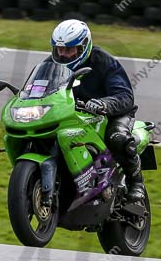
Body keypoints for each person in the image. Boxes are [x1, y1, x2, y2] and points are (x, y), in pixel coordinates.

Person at [50, 19, 144, 201]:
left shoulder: (104, 62)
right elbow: (39, 86)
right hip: (74, 114)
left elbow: (124, 95)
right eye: (60, 49)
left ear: (83, 46)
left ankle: (136, 183)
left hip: (112, 114)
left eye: (69, 50)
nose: (63, 55)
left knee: (118, 137)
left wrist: (104, 104)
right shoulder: (53, 64)